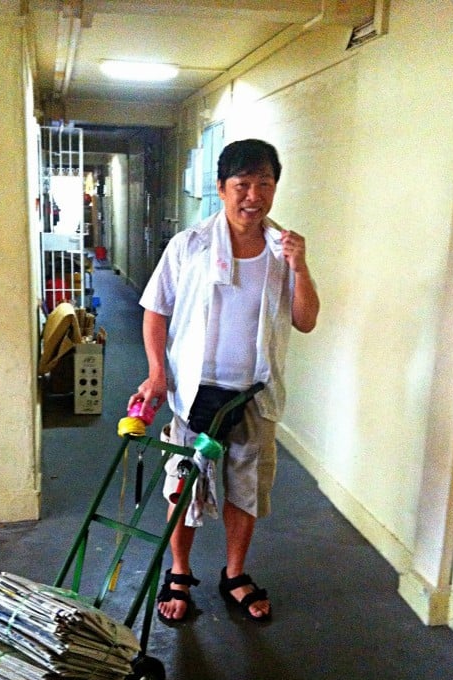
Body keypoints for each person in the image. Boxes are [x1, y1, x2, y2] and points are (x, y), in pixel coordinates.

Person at [129, 138, 320, 623]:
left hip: (254, 394)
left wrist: (300, 267)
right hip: (194, 392)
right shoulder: (190, 245)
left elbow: (306, 320)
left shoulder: (283, 250)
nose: (253, 196)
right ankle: (179, 571)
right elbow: (155, 310)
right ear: (220, 188)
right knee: (184, 486)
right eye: (242, 184)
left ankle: (234, 573)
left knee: (246, 488)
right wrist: (157, 373)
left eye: (264, 184)